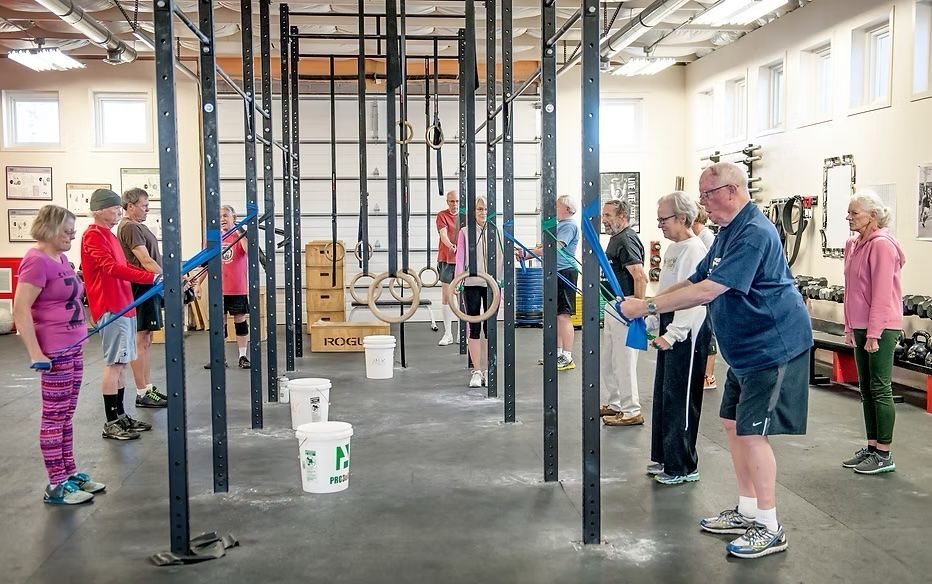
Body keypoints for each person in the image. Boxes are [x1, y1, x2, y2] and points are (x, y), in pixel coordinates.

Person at [621, 162, 812, 559]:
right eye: (702, 195)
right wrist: (650, 303)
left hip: (773, 346)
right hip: (743, 349)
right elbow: (696, 280)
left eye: (708, 194)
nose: (703, 202)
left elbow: (709, 290)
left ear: (732, 190)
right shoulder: (727, 231)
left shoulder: (755, 232)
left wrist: (648, 306)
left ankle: (770, 526)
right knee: (731, 423)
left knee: (752, 433)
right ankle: (748, 510)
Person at [13, 205, 107, 504]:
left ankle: (68, 474)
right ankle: (55, 484)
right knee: (54, 418)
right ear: (50, 229)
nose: (72, 236)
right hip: (55, 351)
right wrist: (36, 353)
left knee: (66, 416)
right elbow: (20, 309)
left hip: (73, 346)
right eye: (67, 231)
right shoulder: (35, 261)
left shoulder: (62, 259)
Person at [82, 189, 162, 441]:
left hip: (125, 305)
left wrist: (154, 276)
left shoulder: (109, 235)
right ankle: (111, 422)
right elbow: (111, 268)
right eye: (115, 208)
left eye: (119, 207)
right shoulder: (93, 236)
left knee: (122, 365)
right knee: (114, 365)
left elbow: (124, 265)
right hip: (111, 306)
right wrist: (151, 277)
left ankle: (121, 415)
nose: (119, 211)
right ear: (99, 211)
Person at [646, 192, 711, 484]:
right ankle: (666, 457)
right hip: (670, 324)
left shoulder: (695, 250)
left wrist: (674, 334)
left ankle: (683, 466)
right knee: (665, 394)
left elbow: (693, 298)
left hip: (688, 330)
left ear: (682, 218)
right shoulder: (673, 249)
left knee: (681, 398)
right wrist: (652, 318)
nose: (660, 224)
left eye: (664, 219)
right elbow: (667, 291)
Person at [841, 192, 904, 474]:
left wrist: (874, 334)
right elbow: (851, 291)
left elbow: (880, 294)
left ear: (873, 216)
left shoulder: (882, 245)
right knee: (865, 388)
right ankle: (871, 447)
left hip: (882, 326)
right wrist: (849, 326)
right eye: (849, 212)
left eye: (854, 213)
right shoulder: (853, 244)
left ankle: (884, 454)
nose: (849, 218)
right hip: (861, 325)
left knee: (879, 387)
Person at [599, 198, 649, 427]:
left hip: (625, 306)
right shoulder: (616, 238)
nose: (604, 219)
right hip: (613, 305)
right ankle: (616, 403)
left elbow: (640, 277)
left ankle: (631, 411)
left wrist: (637, 308)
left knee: (624, 361)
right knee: (610, 360)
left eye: (608, 215)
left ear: (622, 216)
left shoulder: (626, 239)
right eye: (604, 215)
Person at [117, 188, 167, 409]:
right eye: (144, 206)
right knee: (140, 340)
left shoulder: (139, 226)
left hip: (150, 285)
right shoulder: (129, 227)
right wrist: (170, 281)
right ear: (130, 206)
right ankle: (141, 391)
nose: (147, 209)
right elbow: (145, 261)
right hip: (140, 287)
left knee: (146, 339)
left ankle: (147, 387)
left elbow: (155, 257)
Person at [518, 195, 580, 370]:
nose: (554, 209)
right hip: (555, 272)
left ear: (567, 209)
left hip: (565, 272)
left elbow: (554, 248)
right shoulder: (560, 225)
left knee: (563, 315)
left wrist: (527, 253)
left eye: (557, 206)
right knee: (555, 315)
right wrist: (527, 253)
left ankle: (567, 356)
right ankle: (557, 354)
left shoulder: (569, 225)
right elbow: (547, 247)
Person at [453, 196, 503, 388]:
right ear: (474, 211)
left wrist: (502, 282)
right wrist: (457, 281)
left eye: (486, 209)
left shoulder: (497, 231)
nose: (483, 212)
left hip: (492, 285)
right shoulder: (465, 232)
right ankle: (477, 371)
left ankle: (488, 369)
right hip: (471, 284)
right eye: (479, 209)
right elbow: (460, 258)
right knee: (474, 327)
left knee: (490, 328)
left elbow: (503, 257)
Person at [196, 205, 251, 369]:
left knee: (240, 322)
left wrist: (240, 231)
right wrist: (198, 284)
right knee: (220, 324)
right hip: (218, 289)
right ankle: (220, 358)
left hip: (237, 288)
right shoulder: (213, 239)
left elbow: (249, 250)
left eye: (226, 215)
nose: (222, 219)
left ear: (234, 218)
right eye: (219, 216)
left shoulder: (240, 236)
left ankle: (243, 357)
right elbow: (205, 264)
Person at [692, 205, 718, 390]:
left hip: (708, 294)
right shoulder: (697, 238)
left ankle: (709, 376)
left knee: (708, 333)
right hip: (699, 293)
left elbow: (711, 269)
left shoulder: (706, 237)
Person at [436, 190, 459, 346]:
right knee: (446, 296)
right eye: (451, 201)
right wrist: (451, 246)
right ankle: (448, 333)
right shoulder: (442, 215)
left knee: (462, 297)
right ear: (447, 202)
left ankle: (461, 334)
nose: (454, 204)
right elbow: (443, 235)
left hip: (462, 261)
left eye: (456, 201)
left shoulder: (465, 217)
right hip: (446, 259)